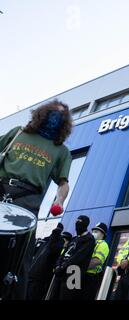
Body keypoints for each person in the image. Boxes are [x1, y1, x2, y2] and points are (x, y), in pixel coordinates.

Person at [0, 99, 73, 299]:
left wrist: (59, 201)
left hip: (28, 203)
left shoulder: (61, 151)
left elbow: (63, 183)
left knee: (20, 259)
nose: (54, 120)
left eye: (60, 117)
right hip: (2, 190)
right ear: (41, 114)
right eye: (52, 114)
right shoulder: (17, 133)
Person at [54, 215, 95, 300]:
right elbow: (63, 254)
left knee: (67, 297)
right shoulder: (74, 238)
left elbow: (78, 257)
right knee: (54, 296)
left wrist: (62, 266)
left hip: (75, 274)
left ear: (85, 225)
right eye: (76, 222)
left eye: (80, 222)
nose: (77, 224)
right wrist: (58, 265)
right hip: (62, 272)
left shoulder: (89, 239)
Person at [27, 223, 65, 300]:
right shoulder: (45, 240)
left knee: (33, 296)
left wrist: (55, 236)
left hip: (41, 277)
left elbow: (53, 250)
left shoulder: (59, 242)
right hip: (31, 273)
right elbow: (33, 252)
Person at [85, 222, 110, 300]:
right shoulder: (89, 243)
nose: (93, 233)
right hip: (80, 274)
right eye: (93, 231)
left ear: (102, 234)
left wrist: (81, 266)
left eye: (96, 232)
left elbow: (96, 261)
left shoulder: (103, 244)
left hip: (90, 277)